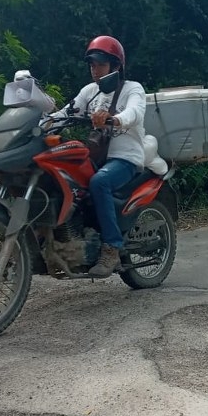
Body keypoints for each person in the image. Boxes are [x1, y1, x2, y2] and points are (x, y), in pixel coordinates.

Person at [58, 35, 147, 278]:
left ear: (116, 66)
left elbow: (135, 112)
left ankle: (112, 247)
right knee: (63, 179)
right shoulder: (90, 91)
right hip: (97, 157)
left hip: (125, 157)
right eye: (92, 65)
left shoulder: (132, 88)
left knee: (100, 182)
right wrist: (42, 121)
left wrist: (116, 118)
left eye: (100, 64)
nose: (95, 70)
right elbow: (67, 111)